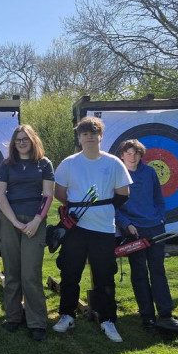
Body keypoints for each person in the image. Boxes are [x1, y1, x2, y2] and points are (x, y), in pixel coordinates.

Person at [51, 116, 132, 342]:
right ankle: (66, 315)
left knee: (105, 275)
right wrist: (77, 210)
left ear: (100, 136)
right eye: (84, 134)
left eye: (93, 133)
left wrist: (101, 209)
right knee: (69, 273)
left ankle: (108, 319)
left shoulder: (114, 162)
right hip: (75, 228)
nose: (89, 137)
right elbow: (60, 194)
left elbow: (123, 194)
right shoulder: (69, 163)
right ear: (79, 138)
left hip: (104, 229)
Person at [115, 139, 178, 336]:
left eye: (135, 153)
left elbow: (159, 199)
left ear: (141, 155)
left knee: (158, 271)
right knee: (140, 273)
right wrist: (127, 224)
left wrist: (160, 218)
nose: (132, 157)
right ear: (122, 155)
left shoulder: (149, 172)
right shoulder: (117, 175)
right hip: (133, 232)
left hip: (155, 228)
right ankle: (147, 317)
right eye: (128, 153)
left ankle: (166, 315)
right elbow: (113, 206)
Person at [0, 125, 54, 341]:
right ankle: (13, 317)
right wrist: (14, 222)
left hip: (35, 222)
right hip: (9, 220)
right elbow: (0, 194)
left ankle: (36, 322)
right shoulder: (7, 164)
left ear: (32, 140)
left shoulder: (44, 163)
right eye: (18, 139)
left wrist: (37, 220)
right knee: (12, 272)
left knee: (30, 273)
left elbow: (48, 195)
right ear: (13, 143)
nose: (21, 142)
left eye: (25, 139)